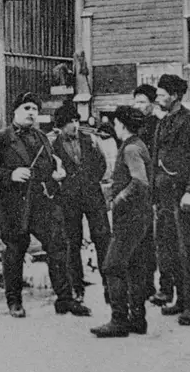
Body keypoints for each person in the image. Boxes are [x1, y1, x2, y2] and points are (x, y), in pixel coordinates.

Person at [0, 92, 91, 319]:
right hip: (13, 206)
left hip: (41, 203)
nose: (31, 113)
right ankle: (14, 301)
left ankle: (65, 299)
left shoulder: (41, 137)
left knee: (58, 247)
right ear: (16, 111)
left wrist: (56, 173)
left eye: (35, 109)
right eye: (27, 108)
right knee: (15, 252)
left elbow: (47, 167)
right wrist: (10, 174)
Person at [152, 74, 190, 326]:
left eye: (161, 93)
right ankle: (180, 300)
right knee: (169, 251)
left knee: (189, 251)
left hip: (186, 196)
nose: (158, 97)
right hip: (166, 197)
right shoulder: (163, 123)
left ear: (175, 95)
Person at [91, 106, 155, 338]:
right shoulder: (139, 145)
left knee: (112, 266)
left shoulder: (129, 149)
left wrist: (119, 197)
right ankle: (137, 319)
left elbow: (140, 181)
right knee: (136, 266)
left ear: (122, 125)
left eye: (116, 123)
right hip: (141, 216)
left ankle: (118, 320)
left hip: (130, 218)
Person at [51, 101, 111, 302]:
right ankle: (76, 287)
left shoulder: (90, 140)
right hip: (68, 200)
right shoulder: (53, 146)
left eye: (76, 121)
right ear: (60, 125)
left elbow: (102, 164)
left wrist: (90, 181)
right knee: (71, 242)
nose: (74, 125)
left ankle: (109, 286)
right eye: (69, 122)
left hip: (93, 197)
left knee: (102, 238)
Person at [132, 83, 173, 307]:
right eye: (135, 101)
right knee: (143, 241)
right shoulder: (132, 127)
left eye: (142, 102)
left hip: (156, 189)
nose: (137, 106)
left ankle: (167, 287)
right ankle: (147, 285)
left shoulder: (158, 126)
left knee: (162, 240)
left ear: (151, 105)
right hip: (139, 190)